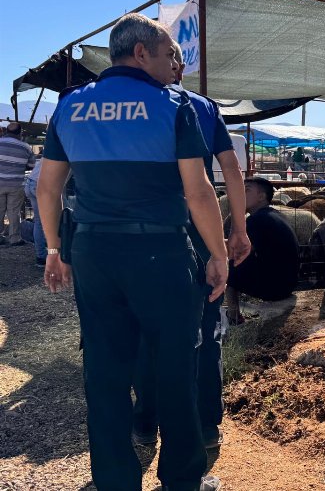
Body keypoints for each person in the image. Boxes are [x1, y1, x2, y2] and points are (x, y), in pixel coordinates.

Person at [37, 13, 226, 491]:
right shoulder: (172, 106)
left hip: (94, 251)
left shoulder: (71, 105)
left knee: (104, 369)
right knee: (176, 365)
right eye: (167, 56)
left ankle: (115, 481)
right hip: (159, 251)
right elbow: (199, 192)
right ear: (141, 53)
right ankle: (183, 480)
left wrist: (55, 248)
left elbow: (47, 187)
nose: (172, 67)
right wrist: (218, 254)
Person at [132, 39, 252, 451]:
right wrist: (238, 228)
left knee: (147, 332)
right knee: (205, 331)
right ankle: (205, 427)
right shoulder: (202, 106)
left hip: (143, 235)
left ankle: (145, 423)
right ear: (178, 69)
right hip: (199, 234)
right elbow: (231, 169)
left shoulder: (126, 106)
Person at [225, 177, 299, 305]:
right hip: (288, 285)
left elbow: (236, 250)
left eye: (246, 190)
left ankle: (233, 316)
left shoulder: (256, 220)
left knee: (228, 265)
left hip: (274, 289)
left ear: (261, 197)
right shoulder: (274, 215)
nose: (240, 194)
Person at [0, 122, 35, 246]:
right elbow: (31, 165)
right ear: (20, 133)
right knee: (13, 212)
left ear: (6, 131)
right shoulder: (25, 147)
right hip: (16, 183)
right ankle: (14, 238)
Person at [24, 148, 47, 266]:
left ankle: (41, 256)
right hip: (42, 185)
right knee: (52, 221)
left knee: (39, 222)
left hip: (30, 183)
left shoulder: (52, 149)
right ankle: (55, 254)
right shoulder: (69, 151)